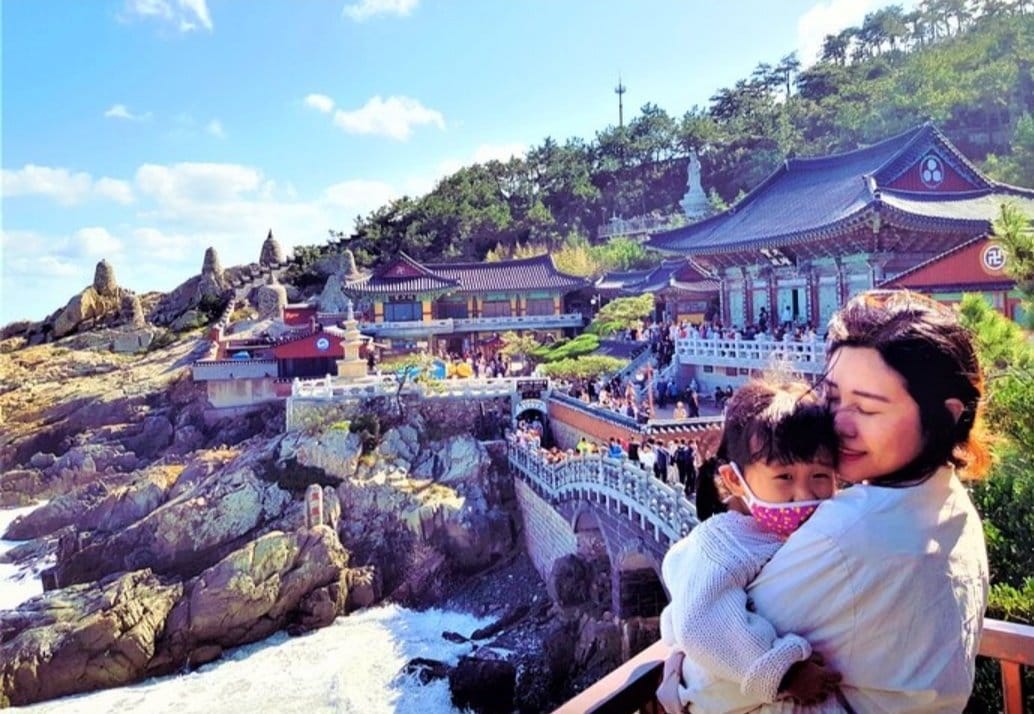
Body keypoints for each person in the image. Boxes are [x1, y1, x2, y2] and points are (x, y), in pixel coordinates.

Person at [664, 289, 992, 712]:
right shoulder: (951, 508)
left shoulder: (850, 533)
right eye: (834, 399)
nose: (840, 424)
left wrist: (672, 676)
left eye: (868, 409)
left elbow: (709, 683)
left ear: (946, 416)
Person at [657, 380, 843, 713]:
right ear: (733, 481)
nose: (804, 495)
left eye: (819, 476)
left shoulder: (769, 532)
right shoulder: (726, 543)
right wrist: (785, 672)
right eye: (784, 477)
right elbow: (702, 623)